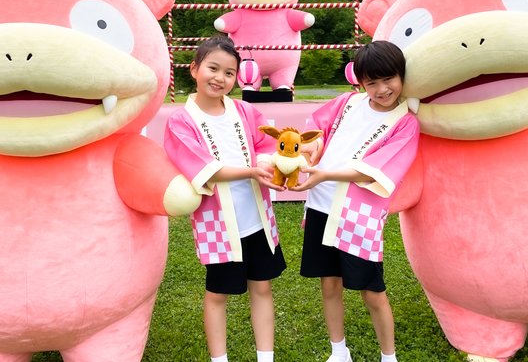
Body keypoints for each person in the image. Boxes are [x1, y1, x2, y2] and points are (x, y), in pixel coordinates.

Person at [292, 40, 420, 362]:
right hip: (321, 206)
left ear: (401, 75)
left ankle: (388, 357)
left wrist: (324, 174)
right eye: (371, 82)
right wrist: (311, 149)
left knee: (372, 291)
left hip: (359, 216)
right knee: (329, 284)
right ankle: (339, 351)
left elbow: (376, 171)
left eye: (388, 79)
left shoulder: (405, 123)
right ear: (360, 81)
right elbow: (316, 130)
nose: (382, 89)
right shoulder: (347, 103)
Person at [164, 35, 287, 362]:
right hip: (217, 224)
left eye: (229, 73)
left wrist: (267, 165)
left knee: (262, 287)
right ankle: (220, 359)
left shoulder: (244, 110)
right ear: (194, 69)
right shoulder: (181, 121)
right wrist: (251, 171)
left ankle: (266, 358)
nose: (220, 78)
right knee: (218, 294)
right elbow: (202, 168)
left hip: (257, 218)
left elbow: (266, 145)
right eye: (213, 68)